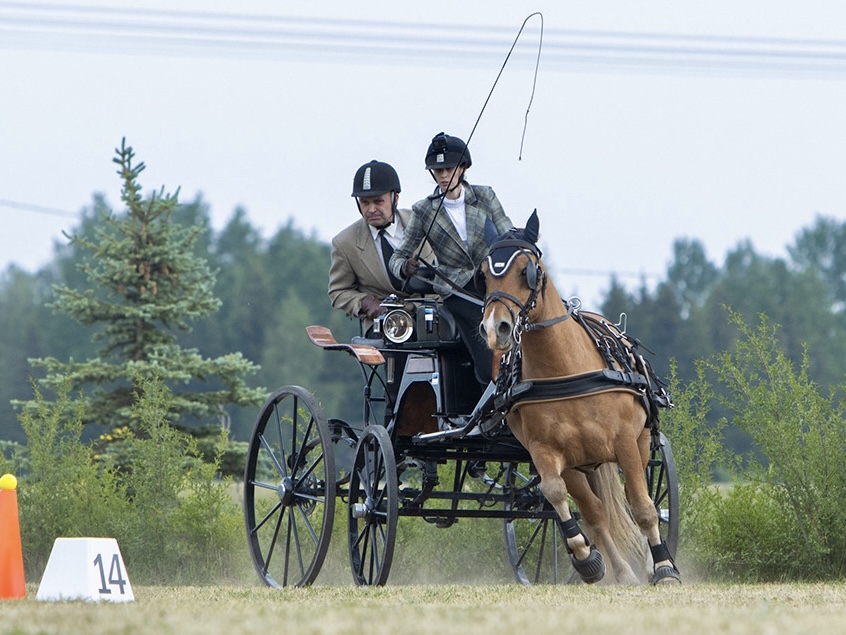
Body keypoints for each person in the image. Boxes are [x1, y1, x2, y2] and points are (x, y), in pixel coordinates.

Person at [390, 132, 513, 386]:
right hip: (458, 291)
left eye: (448, 169)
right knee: (487, 353)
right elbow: (398, 256)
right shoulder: (424, 210)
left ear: (462, 168)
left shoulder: (486, 197)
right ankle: (490, 396)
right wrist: (404, 267)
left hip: (492, 283)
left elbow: (506, 236)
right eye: (437, 171)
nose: (443, 175)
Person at [328, 159, 435, 333]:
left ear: (395, 198)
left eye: (378, 201)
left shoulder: (424, 222)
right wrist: (365, 303)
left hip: (431, 316)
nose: (371, 209)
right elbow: (338, 291)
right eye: (364, 202)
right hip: (383, 326)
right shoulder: (344, 243)